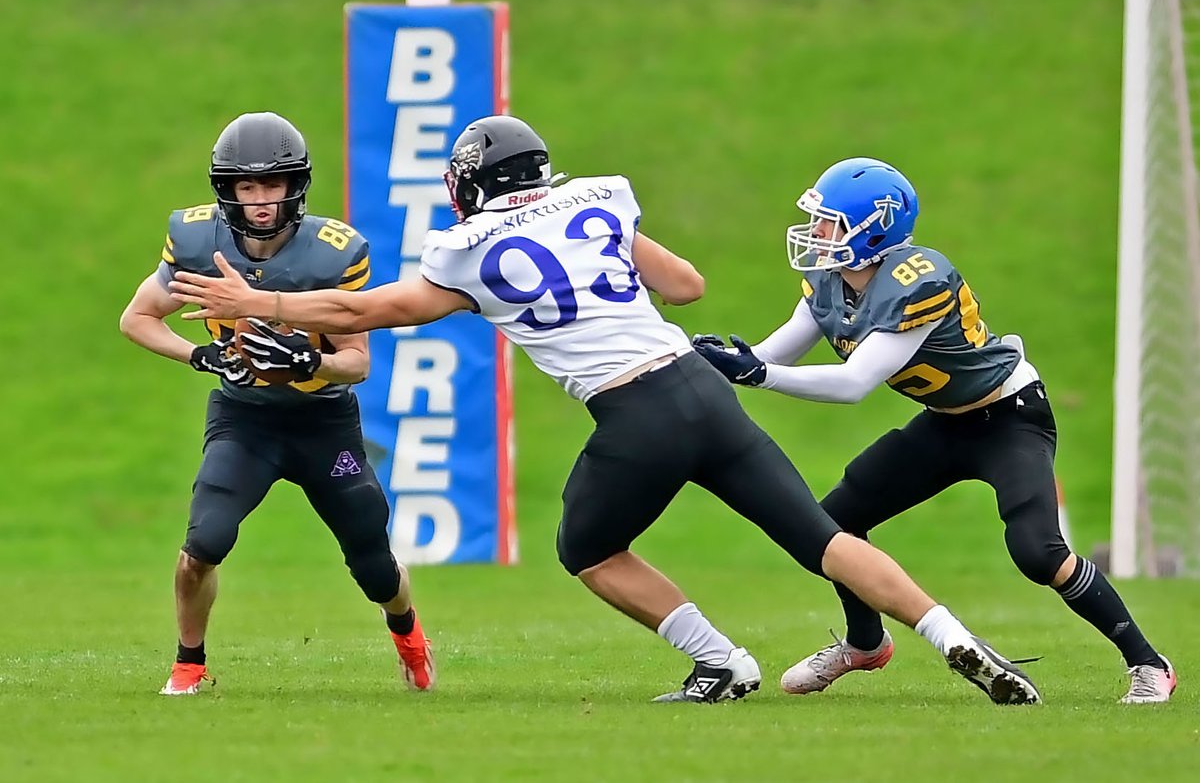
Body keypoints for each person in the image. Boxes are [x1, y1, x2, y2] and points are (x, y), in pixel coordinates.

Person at [170, 115, 1039, 705]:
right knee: (823, 538)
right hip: (697, 383)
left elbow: (367, 310)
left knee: (586, 549)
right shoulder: (600, 198)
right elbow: (686, 286)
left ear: (475, 184)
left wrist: (261, 304)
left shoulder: (467, 247)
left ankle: (721, 661)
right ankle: (955, 638)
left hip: (634, 412)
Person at [691, 156, 1176, 705]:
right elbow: (773, 353)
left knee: (1037, 552)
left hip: (1009, 416)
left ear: (873, 229)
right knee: (833, 524)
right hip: (946, 422)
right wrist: (714, 360)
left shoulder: (916, 280)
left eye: (829, 222)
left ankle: (1148, 662)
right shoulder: (830, 280)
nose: (817, 232)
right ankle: (865, 644)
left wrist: (758, 374)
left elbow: (853, 383)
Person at [119, 111, 435, 696]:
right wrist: (201, 356)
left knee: (372, 560)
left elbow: (357, 362)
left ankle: (408, 632)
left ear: (296, 185)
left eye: (273, 184)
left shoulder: (330, 254)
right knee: (202, 545)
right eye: (247, 186)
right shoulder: (198, 242)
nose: (262, 200)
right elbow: (137, 318)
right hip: (246, 418)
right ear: (227, 189)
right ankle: (189, 663)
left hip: (323, 422)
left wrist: (309, 360)